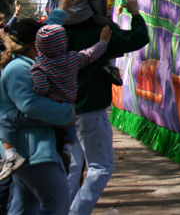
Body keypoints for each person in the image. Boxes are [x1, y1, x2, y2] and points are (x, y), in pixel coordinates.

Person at [64, 0, 148, 215]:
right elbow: (139, 38)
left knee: (73, 167)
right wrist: (135, 13)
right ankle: (77, 211)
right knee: (100, 167)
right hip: (90, 110)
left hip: (65, 112)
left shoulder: (60, 33)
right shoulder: (100, 34)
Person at [0, 16, 110, 181]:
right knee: (69, 128)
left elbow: (41, 88)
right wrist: (103, 42)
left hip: (54, 106)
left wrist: (40, 90)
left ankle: (10, 155)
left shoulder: (39, 66)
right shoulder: (73, 58)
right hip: (69, 103)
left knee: (5, 120)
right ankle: (67, 150)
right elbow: (90, 54)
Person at [0, 0, 76, 215]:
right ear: (37, 43)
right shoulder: (19, 69)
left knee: (24, 206)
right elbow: (30, 105)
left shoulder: (24, 63)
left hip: (30, 149)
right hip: (33, 150)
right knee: (57, 203)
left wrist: (62, 9)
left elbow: (48, 27)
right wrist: (67, 114)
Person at [61, 0, 128, 86]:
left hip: (65, 18)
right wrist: (106, 20)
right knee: (113, 30)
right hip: (81, 18)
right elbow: (99, 6)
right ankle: (110, 65)